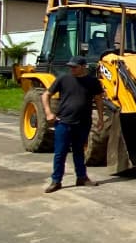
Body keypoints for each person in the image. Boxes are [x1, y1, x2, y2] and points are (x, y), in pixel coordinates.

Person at [43, 55, 103, 193]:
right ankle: (56, 181)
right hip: (64, 122)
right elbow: (45, 95)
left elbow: (99, 99)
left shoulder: (92, 82)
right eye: (70, 67)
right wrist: (48, 113)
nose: (71, 69)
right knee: (60, 153)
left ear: (83, 67)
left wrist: (100, 118)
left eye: (74, 67)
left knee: (79, 152)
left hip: (83, 123)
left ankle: (81, 178)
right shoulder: (63, 79)